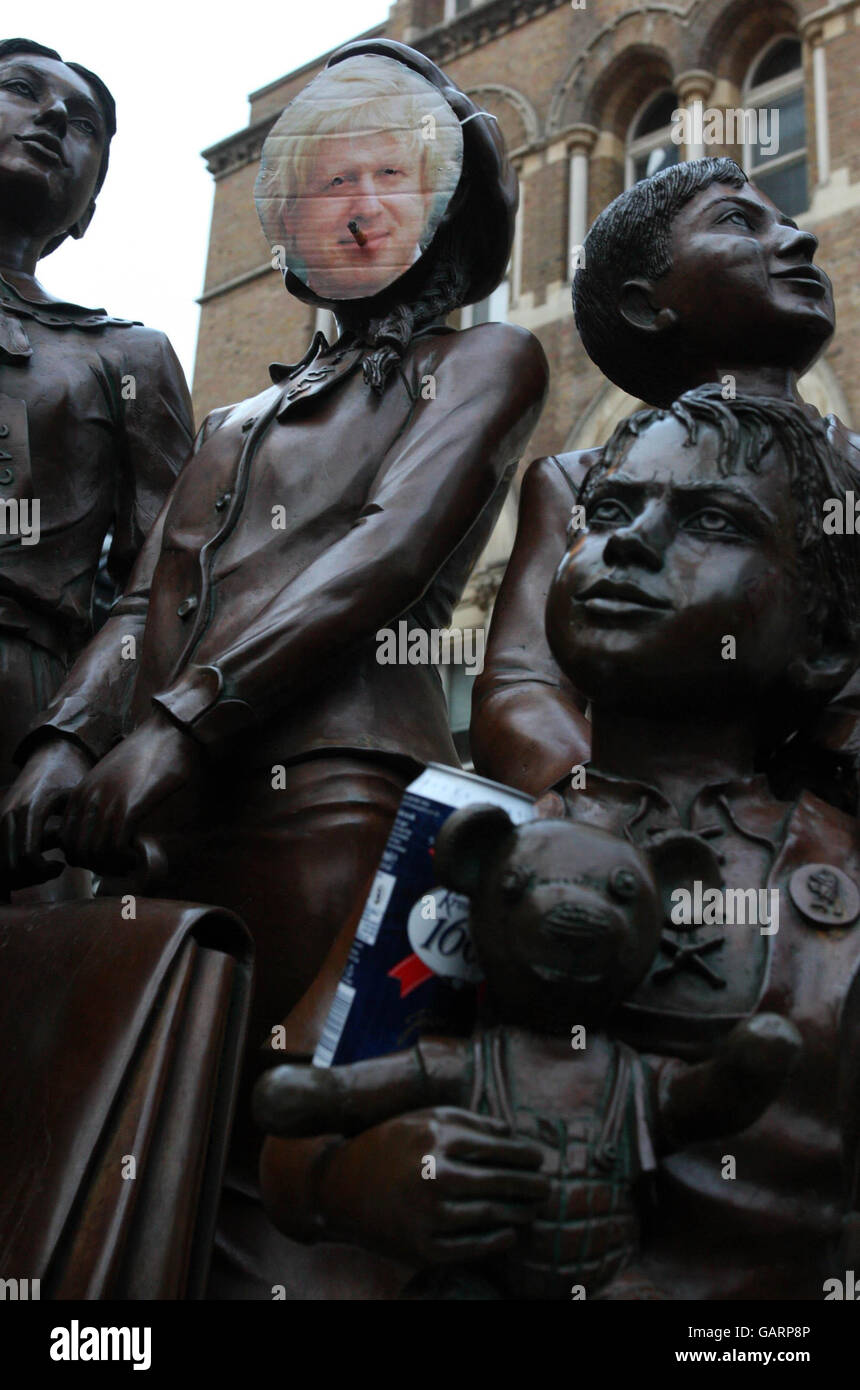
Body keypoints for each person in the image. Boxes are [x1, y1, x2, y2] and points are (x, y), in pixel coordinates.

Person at [1, 39, 548, 1296]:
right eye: (328, 183)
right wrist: (67, 737)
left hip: (337, 808)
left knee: (309, 1175)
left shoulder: (478, 363)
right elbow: (145, 596)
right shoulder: (236, 421)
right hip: (161, 820)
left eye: (388, 182)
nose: (355, 207)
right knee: (156, 1145)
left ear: (441, 217)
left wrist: (182, 726)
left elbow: (383, 552)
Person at [258, 386, 860, 1300]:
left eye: (713, 522)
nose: (629, 541)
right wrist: (369, 1175)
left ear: (822, 643)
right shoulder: (460, 844)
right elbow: (298, 1128)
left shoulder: (843, 877)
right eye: (611, 510)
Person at [470, 158, 860, 802]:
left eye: (788, 223)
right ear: (646, 306)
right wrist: (619, 812)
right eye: (739, 223)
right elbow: (520, 689)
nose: (799, 239)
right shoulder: (578, 480)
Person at [0, 37, 193, 892]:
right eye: (21, 91)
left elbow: (164, 581)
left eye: (81, 125)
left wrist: (70, 737)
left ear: (84, 213)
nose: (52, 118)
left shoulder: (126, 359)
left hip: (20, 700)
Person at [256, 55, 462, 301]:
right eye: (338, 181)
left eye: (389, 173)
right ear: (289, 214)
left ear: (426, 191)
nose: (369, 207)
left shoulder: (491, 340)